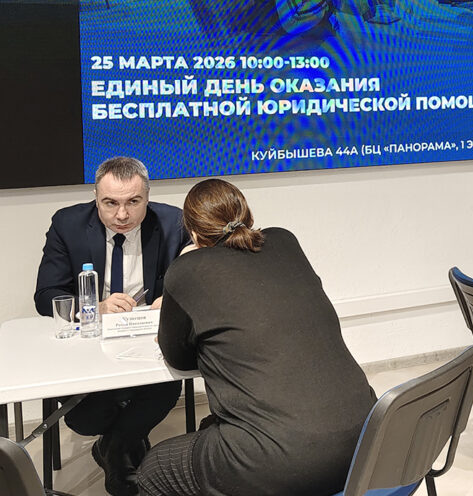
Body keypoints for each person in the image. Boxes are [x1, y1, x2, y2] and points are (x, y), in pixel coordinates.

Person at [136, 178, 377, 496]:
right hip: (369, 440)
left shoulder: (185, 270)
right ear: (247, 215)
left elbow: (177, 358)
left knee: (153, 469)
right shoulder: (285, 241)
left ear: (193, 233)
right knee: (213, 427)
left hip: (286, 461)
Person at [34, 157, 189, 496]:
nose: (122, 215)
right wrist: (95, 307)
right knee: (85, 417)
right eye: (110, 203)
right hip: (88, 342)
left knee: (165, 387)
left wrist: (173, 299)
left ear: (147, 197)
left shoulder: (173, 223)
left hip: (147, 341)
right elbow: (45, 296)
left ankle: (115, 450)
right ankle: (126, 441)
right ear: (95, 197)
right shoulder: (68, 224)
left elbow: (196, 279)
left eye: (133, 202)